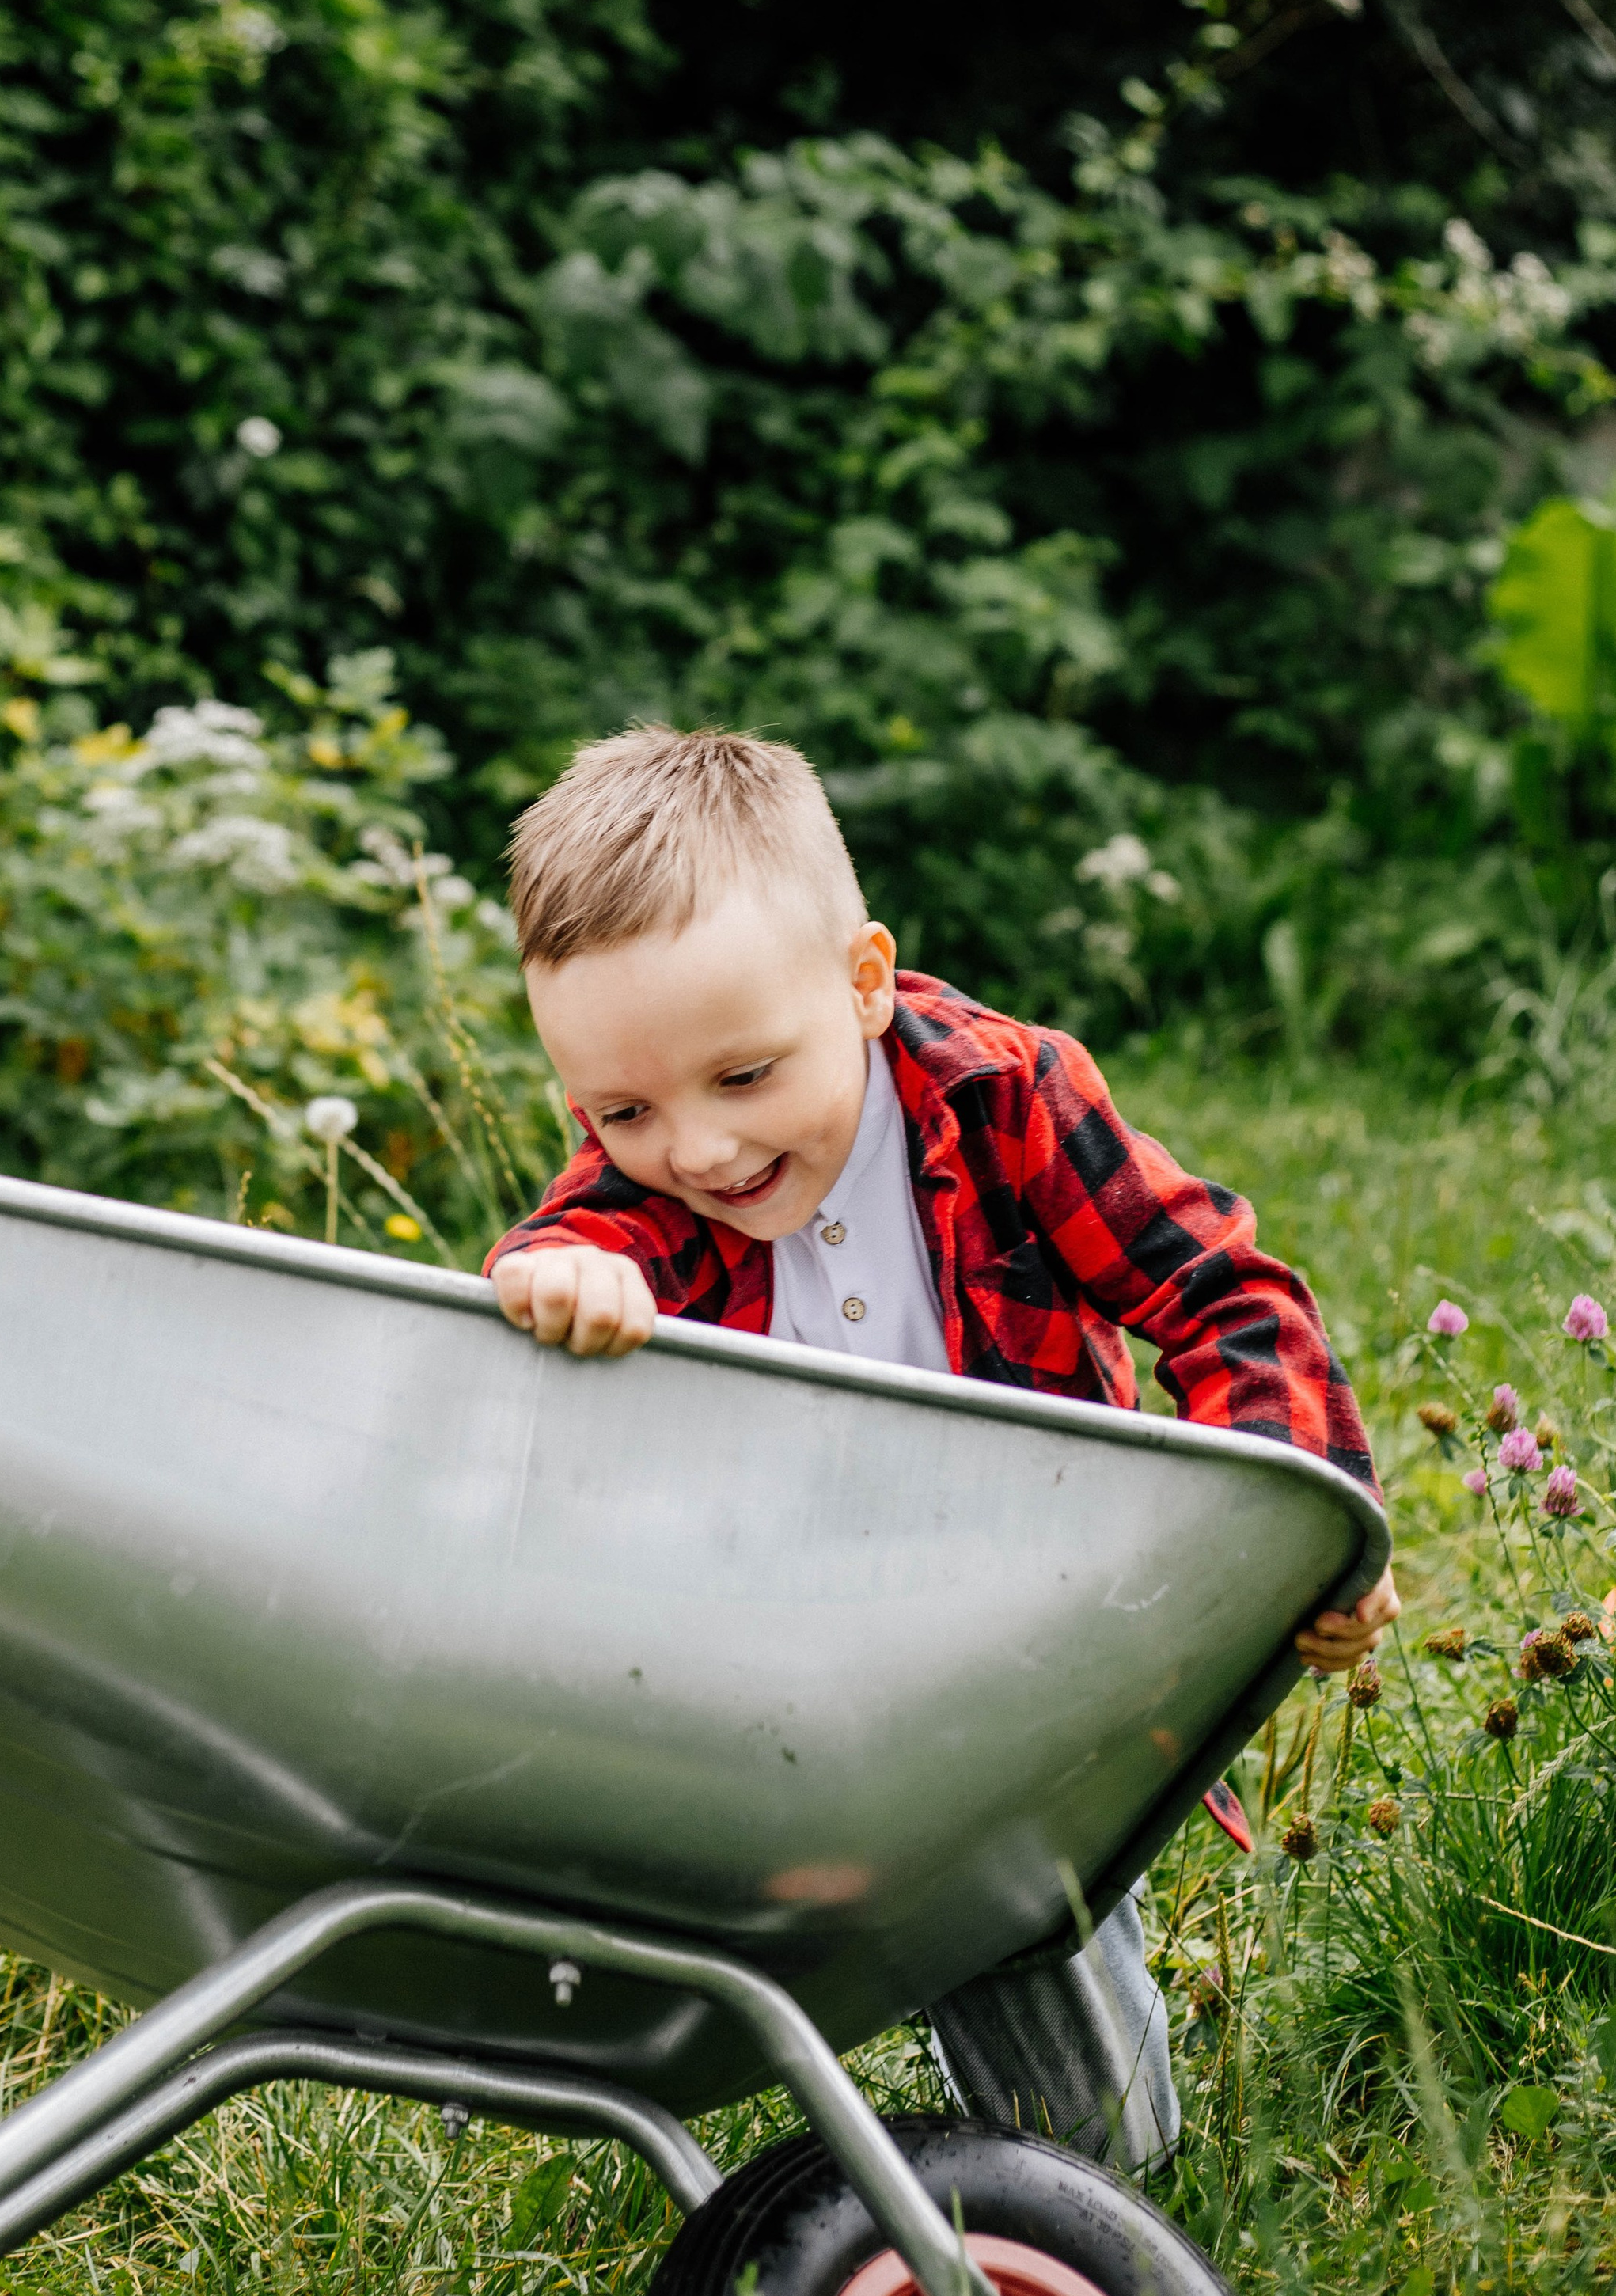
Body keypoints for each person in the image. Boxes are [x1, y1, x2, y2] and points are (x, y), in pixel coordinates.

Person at [483, 724, 1395, 2173]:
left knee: (1095, 2130)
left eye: (744, 1078)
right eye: (625, 1110)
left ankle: (1050, 2167)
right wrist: (559, 1273)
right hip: (782, 1657)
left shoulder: (1008, 1099)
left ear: (862, 985)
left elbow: (1222, 1296)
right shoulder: (640, 1193)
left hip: (1026, 1647)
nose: (703, 1152)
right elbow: (579, 1233)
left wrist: (1306, 1518)